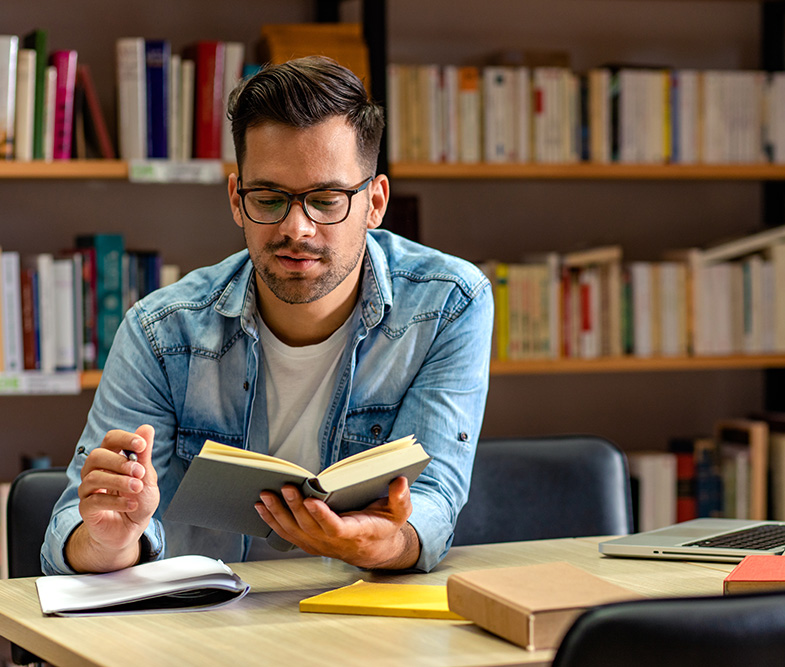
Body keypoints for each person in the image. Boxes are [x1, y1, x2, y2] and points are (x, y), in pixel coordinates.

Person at [41, 56, 493, 575]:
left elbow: (434, 500)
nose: (297, 227)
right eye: (270, 198)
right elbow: (69, 538)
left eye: (326, 200)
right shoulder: (160, 332)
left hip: (369, 613)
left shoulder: (448, 304)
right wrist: (112, 541)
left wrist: (378, 545)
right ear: (237, 199)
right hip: (203, 629)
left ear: (375, 202)